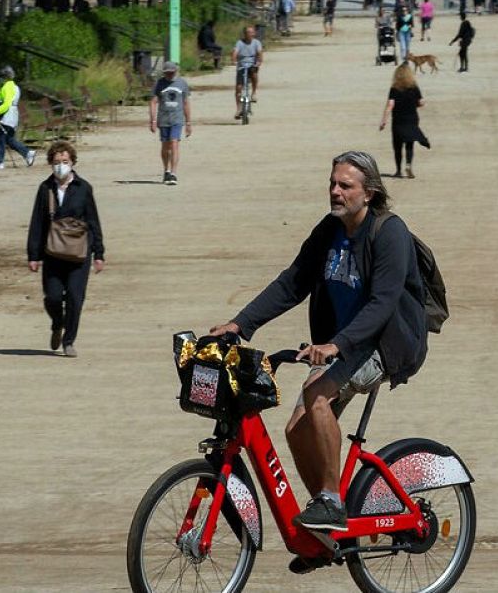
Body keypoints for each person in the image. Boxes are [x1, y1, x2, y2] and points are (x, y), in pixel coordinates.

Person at [207, 152, 428, 552]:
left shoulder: (389, 233)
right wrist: (240, 324)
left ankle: (330, 501)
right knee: (296, 428)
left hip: (385, 343)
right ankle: (325, 527)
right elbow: (293, 282)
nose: (335, 191)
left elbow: (382, 303)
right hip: (345, 345)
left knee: (317, 395)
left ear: (370, 192)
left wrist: (335, 344)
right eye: (332, 183)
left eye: (346, 185)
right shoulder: (330, 230)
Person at [26, 140, 106, 358]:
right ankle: (57, 323)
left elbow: (93, 221)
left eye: (65, 161)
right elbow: (37, 223)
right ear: (51, 164)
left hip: (79, 254)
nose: (61, 165)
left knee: (74, 297)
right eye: (56, 162)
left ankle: (68, 341)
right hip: (52, 253)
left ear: (72, 162)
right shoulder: (45, 189)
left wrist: (99, 253)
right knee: (52, 297)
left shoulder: (83, 188)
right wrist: (33, 255)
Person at [380, 65, 429, 178]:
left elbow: (390, 105)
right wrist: (415, 104)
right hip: (411, 119)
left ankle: (398, 171)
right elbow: (421, 102)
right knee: (409, 143)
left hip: (398, 120)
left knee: (397, 145)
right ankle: (408, 165)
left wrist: (383, 121)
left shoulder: (394, 88)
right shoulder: (414, 87)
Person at [150, 62, 192, 185]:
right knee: (165, 146)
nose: (169, 75)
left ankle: (173, 173)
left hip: (177, 119)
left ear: (176, 71)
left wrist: (188, 122)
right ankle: (166, 170)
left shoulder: (182, 84)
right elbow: (153, 102)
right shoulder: (159, 84)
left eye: (171, 72)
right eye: (167, 72)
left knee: (174, 143)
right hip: (163, 118)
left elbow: (185, 103)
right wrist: (152, 120)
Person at [0, 66, 35, 169]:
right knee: (9, 140)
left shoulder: (7, 87)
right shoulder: (15, 87)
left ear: (5, 76)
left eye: (1, 76)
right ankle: (27, 153)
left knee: (1, 138)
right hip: (13, 116)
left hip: (7, 116)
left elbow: (6, 104)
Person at [232, 25, 264, 119]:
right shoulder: (239, 43)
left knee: (254, 74)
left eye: (251, 32)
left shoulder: (256, 43)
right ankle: (238, 109)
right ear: (244, 34)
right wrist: (234, 60)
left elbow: (259, 53)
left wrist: (259, 62)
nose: (249, 34)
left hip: (252, 65)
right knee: (238, 88)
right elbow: (235, 52)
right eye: (247, 33)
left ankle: (253, 93)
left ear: (254, 33)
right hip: (241, 66)